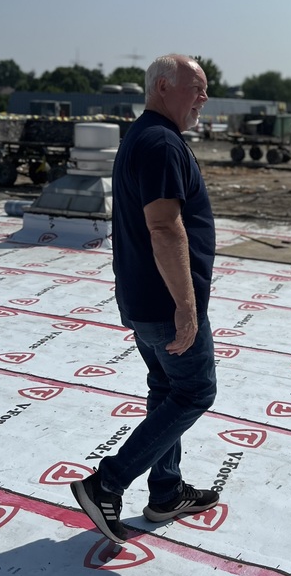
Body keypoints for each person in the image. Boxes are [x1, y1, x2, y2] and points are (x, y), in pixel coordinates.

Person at [71, 54, 219, 543]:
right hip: (165, 303)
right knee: (194, 392)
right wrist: (187, 307)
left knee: (165, 390)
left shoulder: (143, 136)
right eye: (196, 87)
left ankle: (166, 492)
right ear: (162, 87)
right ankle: (107, 483)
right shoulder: (161, 142)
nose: (203, 97)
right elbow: (163, 227)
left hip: (143, 299)